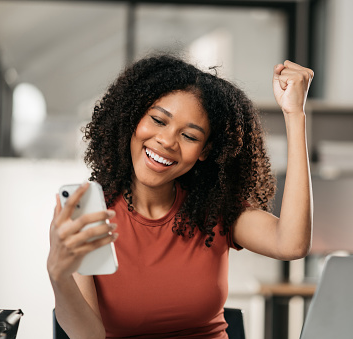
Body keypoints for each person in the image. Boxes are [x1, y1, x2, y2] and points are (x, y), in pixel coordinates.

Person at [47, 54, 314, 339]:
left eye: (189, 136)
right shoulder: (88, 216)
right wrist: (59, 276)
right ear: (133, 117)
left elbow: (292, 244)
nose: (166, 141)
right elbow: (87, 337)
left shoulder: (214, 209)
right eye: (158, 120)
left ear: (205, 151)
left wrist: (294, 115)